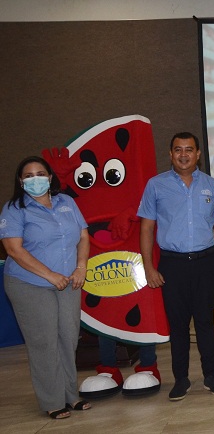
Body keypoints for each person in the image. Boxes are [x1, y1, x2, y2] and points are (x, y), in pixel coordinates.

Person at [138, 132, 214, 401]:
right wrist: (148, 267)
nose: (184, 154)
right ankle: (181, 379)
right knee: (177, 325)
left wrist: (205, 241)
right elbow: (147, 227)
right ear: (170, 154)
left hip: (206, 264)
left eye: (189, 149)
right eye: (178, 149)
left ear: (198, 154)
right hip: (171, 265)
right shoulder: (155, 186)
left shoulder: (212, 185)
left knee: (205, 322)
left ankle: (211, 376)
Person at [1, 156, 92, 419]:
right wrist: (51, 275)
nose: (35, 179)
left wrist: (81, 267)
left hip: (69, 282)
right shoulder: (14, 209)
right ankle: (52, 401)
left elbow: (84, 236)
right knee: (44, 343)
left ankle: (71, 395)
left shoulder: (67, 202)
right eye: (28, 176)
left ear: (50, 177)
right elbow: (13, 250)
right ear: (20, 181)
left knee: (67, 337)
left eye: (40, 174)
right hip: (29, 284)